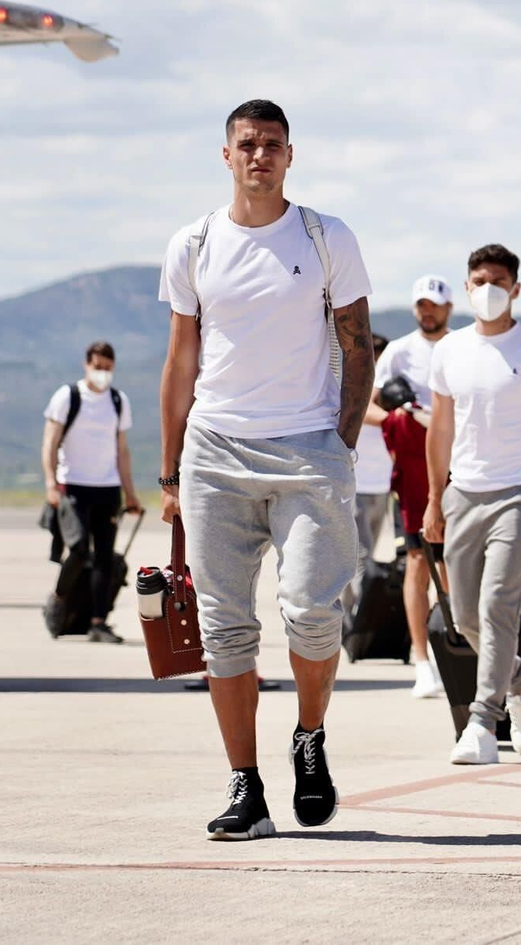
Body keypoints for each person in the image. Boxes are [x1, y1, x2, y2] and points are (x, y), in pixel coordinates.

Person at [158, 99, 375, 841]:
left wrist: (340, 445)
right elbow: (182, 359)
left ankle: (309, 737)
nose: (260, 156)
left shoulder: (324, 237)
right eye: (247, 144)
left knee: (313, 613)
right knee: (225, 631)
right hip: (215, 453)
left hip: (309, 452)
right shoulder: (192, 244)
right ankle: (245, 788)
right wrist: (167, 473)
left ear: (291, 155)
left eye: (272, 145)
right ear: (226, 155)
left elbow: (359, 345)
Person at [423, 244, 521, 765]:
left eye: (498, 280)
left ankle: (481, 722)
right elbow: (440, 429)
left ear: (515, 289)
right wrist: (434, 501)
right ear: (466, 288)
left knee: (498, 606)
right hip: (463, 493)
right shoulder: (449, 350)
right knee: (465, 615)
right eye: (478, 280)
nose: (488, 288)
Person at [367, 274, 454, 698]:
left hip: (459, 464)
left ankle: (451, 643)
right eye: (421, 304)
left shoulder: (463, 347)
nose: (427, 311)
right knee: (418, 559)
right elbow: (367, 404)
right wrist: (402, 421)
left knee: (453, 561)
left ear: (449, 309)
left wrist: (436, 426)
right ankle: (422, 659)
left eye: (434, 304)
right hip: (412, 468)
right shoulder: (398, 353)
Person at [42, 340, 144, 643]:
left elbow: (122, 450)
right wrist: (50, 483)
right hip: (72, 485)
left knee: (103, 557)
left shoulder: (117, 400)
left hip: (108, 488)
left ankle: (98, 622)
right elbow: (50, 442)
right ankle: (58, 599)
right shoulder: (68, 396)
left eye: (108, 369)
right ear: (87, 365)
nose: (102, 373)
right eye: (98, 367)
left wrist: (131, 494)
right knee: (76, 550)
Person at [348, 333, 393, 610]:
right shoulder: (356, 387)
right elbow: (365, 413)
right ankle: (357, 619)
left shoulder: (386, 390)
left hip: (383, 485)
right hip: (357, 484)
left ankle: (354, 616)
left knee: (368, 557)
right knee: (359, 559)